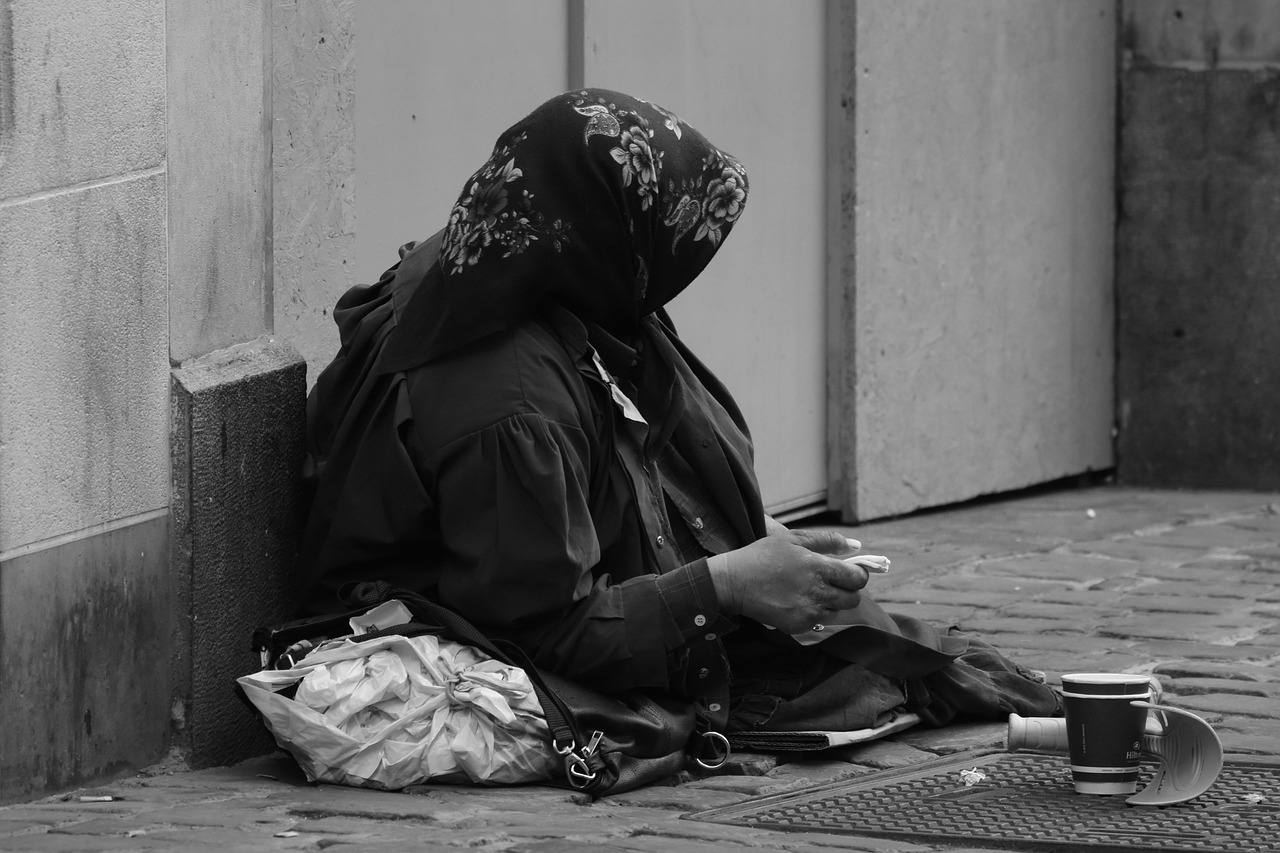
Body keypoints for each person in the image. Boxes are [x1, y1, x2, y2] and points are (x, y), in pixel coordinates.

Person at [297, 89, 1059, 742]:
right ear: (604, 236)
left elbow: (633, 443)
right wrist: (725, 584)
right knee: (828, 673)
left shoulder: (503, 257)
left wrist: (752, 537)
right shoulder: (511, 402)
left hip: (509, 551)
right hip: (468, 608)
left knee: (861, 643)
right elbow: (544, 627)